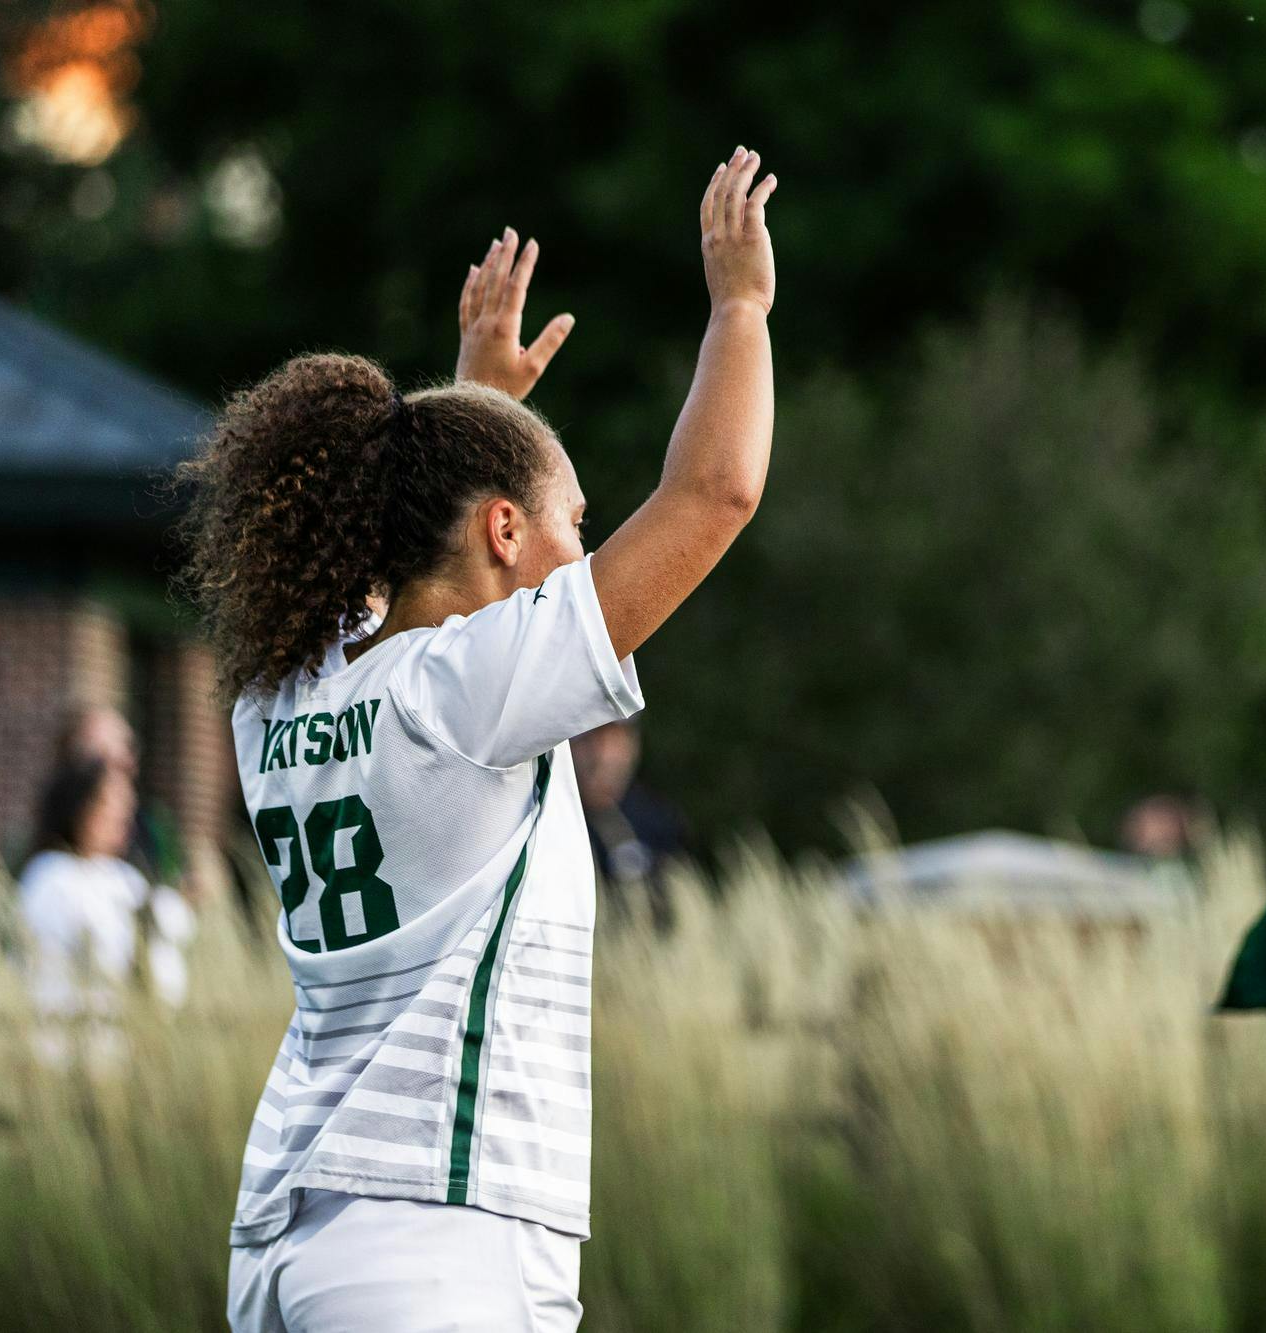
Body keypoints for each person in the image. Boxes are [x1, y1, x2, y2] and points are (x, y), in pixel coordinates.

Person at [179, 146, 778, 1331]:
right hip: (431, 1233)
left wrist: (476, 399)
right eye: (572, 522)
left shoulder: (282, 688)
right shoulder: (463, 692)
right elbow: (714, 494)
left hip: (289, 1233)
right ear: (504, 529)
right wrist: (741, 309)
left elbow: (412, 554)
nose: (582, 550)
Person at [18, 759, 196, 1058]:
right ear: (78, 807)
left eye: (127, 804)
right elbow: (98, 958)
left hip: (123, 1048)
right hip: (65, 1047)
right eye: (109, 803)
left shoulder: (126, 879)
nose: (122, 815)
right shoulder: (50, 877)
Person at [55, 703, 184, 886]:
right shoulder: (54, 871)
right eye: (114, 763)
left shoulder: (152, 826)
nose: (130, 762)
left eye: (131, 751)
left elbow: (170, 879)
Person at [572, 720, 689, 900]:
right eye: (593, 740)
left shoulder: (657, 820)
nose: (605, 755)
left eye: (617, 739)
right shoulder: (556, 822)